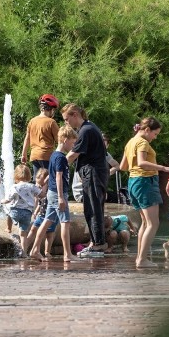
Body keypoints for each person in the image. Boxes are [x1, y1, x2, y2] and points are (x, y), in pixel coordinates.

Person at [119, 117, 169, 268]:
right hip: (145, 182)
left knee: (145, 222)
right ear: (147, 130)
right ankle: (142, 260)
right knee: (153, 223)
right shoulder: (143, 142)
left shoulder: (131, 142)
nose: (155, 138)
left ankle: (140, 258)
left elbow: (124, 166)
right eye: (155, 134)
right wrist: (163, 168)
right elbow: (142, 163)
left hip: (133, 182)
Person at [62, 103, 108, 258]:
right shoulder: (89, 127)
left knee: (93, 208)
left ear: (75, 114)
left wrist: (57, 166)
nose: (66, 123)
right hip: (95, 173)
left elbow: (73, 155)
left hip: (93, 173)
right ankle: (96, 243)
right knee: (93, 208)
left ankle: (97, 246)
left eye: (67, 119)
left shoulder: (86, 130)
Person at [29, 126, 79, 262]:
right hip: (58, 194)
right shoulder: (60, 158)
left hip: (52, 193)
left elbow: (50, 175)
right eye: (72, 142)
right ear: (64, 140)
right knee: (65, 222)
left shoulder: (54, 156)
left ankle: (34, 250)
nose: (73, 145)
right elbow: (58, 176)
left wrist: (44, 186)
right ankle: (67, 254)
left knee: (46, 222)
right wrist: (61, 197)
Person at [1, 164, 40, 255]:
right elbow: (41, 194)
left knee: (8, 212)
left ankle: (8, 228)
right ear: (29, 175)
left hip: (16, 212)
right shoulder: (32, 186)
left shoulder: (14, 187)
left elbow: (8, 200)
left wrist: (3, 201)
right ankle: (24, 253)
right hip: (27, 213)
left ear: (16, 176)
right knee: (23, 234)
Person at [21, 94, 60, 175]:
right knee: (48, 181)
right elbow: (60, 140)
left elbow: (27, 138)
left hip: (34, 156)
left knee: (38, 181)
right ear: (51, 109)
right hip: (46, 156)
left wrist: (24, 154)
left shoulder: (32, 121)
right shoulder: (51, 122)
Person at [24, 168, 57, 259]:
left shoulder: (51, 190)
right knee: (33, 230)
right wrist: (35, 212)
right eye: (38, 184)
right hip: (42, 215)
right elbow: (40, 203)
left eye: (41, 184)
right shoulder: (40, 191)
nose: (39, 186)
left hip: (51, 215)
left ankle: (47, 252)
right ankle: (24, 249)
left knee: (49, 234)